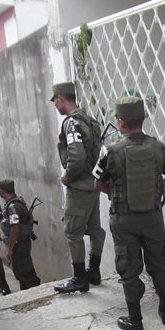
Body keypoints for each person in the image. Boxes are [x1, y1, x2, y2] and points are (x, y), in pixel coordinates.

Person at [92, 96, 165, 330]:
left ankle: (136, 321)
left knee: (129, 269)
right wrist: (155, 189)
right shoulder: (158, 147)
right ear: (142, 119)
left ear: (120, 123)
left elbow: (97, 184)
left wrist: (117, 194)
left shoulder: (109, 151)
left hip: (123, 220)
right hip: (153, 219)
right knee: (159, 264)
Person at [51, 82, 106, 294]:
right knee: (94, 229)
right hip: (93, 184)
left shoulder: (71, 123)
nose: (56, 105)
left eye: (55, 101)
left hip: (80, 186)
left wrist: (67, 177)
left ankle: (79, 279)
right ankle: (94, 271)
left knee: (72, 232)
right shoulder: (90, 121)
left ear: (59, 99)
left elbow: (77, 156)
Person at [0, 179, 41, 290]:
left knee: (26, 272)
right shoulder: (15, 202)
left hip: (19, 244)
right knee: (21, 272)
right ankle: (27, 291)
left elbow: (15, 229)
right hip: (21, 242)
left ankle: (35, 293)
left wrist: (9, 249)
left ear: (1, 191)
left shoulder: (13, 206)